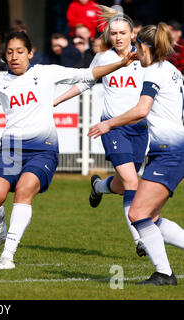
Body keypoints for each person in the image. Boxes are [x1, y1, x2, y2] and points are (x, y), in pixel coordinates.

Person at [0, 31, 136, 270]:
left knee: (24, 190)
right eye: (10, 52)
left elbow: (87, 73)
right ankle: (0, 234)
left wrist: (120, 64)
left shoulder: (45, 73)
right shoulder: (0, 83)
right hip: (11, 150)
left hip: (43, 150)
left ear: (30, 52)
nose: (14, 57)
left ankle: (7, 256)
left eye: (20, 52)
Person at [88, 23, 184, 286]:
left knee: (138, 214)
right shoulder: (173, 71)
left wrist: (109, 123)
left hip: (168, 153)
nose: (135, 54)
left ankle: (164, 274)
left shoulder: (153, 73)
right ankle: (163, 273)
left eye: (137, 49)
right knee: (150, 218)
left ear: (143, 47)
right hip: (170, 151)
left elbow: (142, 110)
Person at [54, 6, 148, 257]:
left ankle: (99, 186)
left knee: (122, 185)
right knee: (131, 181)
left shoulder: (146, 57)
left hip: (139, 128)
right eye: (114, 33)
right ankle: (140, 238)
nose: (118, 37)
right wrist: (56, 101)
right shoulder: (104, 58)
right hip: (112, 127)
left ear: (132, 34)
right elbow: (85, 82)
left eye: (122, 33)